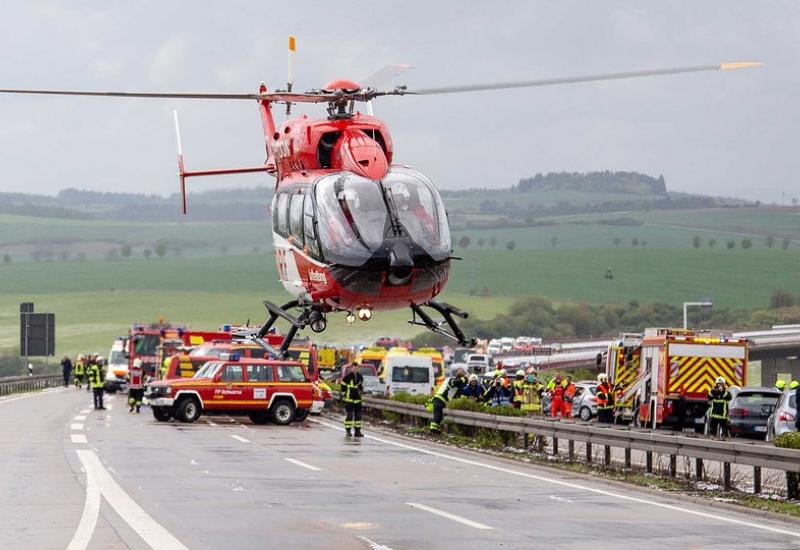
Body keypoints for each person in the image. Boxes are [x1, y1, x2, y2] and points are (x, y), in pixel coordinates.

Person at [429, 368, 467, 433]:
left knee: (439, 416)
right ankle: (433, 430)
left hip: (439, 399)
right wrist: (463, 380)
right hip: (440, 399)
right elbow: (453, 384)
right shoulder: (452, 380)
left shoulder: (452, 380)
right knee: (437, 416)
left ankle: (436, 430)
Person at [341, 363, 364, 437]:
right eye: (354, 368)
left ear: (358, 368)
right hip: (349, 399)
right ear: (352, 368)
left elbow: (362, 387)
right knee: (350, 416)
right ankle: (348, 431)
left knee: (358, 416)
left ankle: (357, 431)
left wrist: (362, 394)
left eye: (357, 368)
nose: (355, 369)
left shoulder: (360, 377)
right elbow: (343, 386)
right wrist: (344, 394)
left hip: (358, 399)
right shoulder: (347, 377)